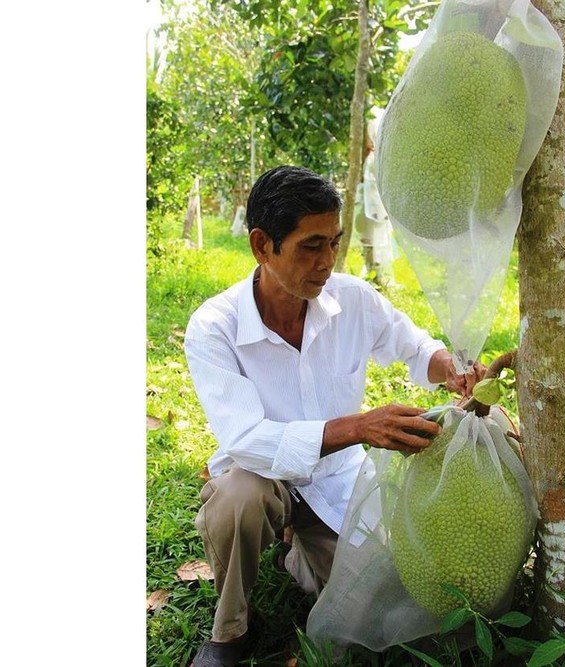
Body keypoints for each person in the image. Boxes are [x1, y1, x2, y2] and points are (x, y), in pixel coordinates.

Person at [183, 165, 486, 667]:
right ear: (262, 245)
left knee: (384, 608)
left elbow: (414, 348)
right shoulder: (215, 327)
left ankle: (297, 554)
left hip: (336, 481)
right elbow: (245, 439)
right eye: (310, 245)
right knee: (238, 499)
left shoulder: (353, 299)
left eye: (334, 243)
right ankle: (231, 630)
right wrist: (358, 427)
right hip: (260, 477)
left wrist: (453, 370)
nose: (327, 262)